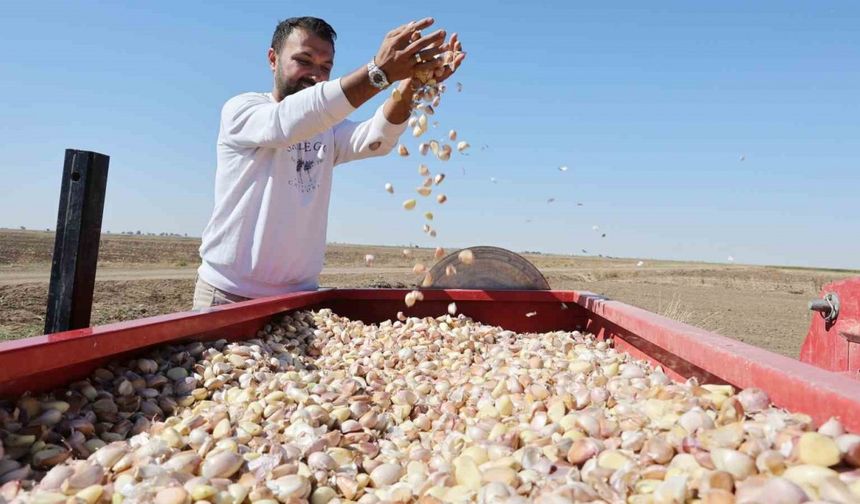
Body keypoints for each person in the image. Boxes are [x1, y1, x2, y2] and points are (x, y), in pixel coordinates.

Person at [192, 16, 465, 310]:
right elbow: (286, 123)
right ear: (273, 59)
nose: (314, 75)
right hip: (227, 295)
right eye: (304, 61)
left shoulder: (326, 128)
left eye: (325, 68)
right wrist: (380, 72)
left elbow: (377, 137)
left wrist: (414, 84)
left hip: (298, 299)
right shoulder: (243, 111)